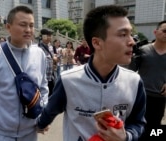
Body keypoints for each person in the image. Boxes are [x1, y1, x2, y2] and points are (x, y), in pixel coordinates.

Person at [37, 5, 146, 141]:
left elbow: (138, 123)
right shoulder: (68, 80)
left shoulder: (134, 82)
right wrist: (38, 124)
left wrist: (126, 136)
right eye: (123, 35)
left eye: (130, 34)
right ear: (97, 43)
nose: (132, 42)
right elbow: (48, 112)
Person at [0, 5, 48, 141]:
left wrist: (42, 117)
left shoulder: (39, 54)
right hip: (2, 134)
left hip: (31, 132)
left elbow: (43, 88)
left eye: (31, 25)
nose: (28, 30)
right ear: (8, 27)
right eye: (23, 25)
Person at [129, 20, 166, 140]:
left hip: (160, 98)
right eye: (165, 31)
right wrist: (131, 56)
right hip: (141, 96)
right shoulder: (142, 50)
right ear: (155, 32)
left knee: (155, 128)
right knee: (137, 125)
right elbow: (130, 70)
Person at [39, 28, 57, 96]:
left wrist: (55, 61)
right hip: (43, 77)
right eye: (47, 35)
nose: (49, 37)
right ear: (42, 36)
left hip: (51, 75)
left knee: (52, 94)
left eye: (50, 35)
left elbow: (52, 57)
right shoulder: (38, 47)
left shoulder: (51, 47)